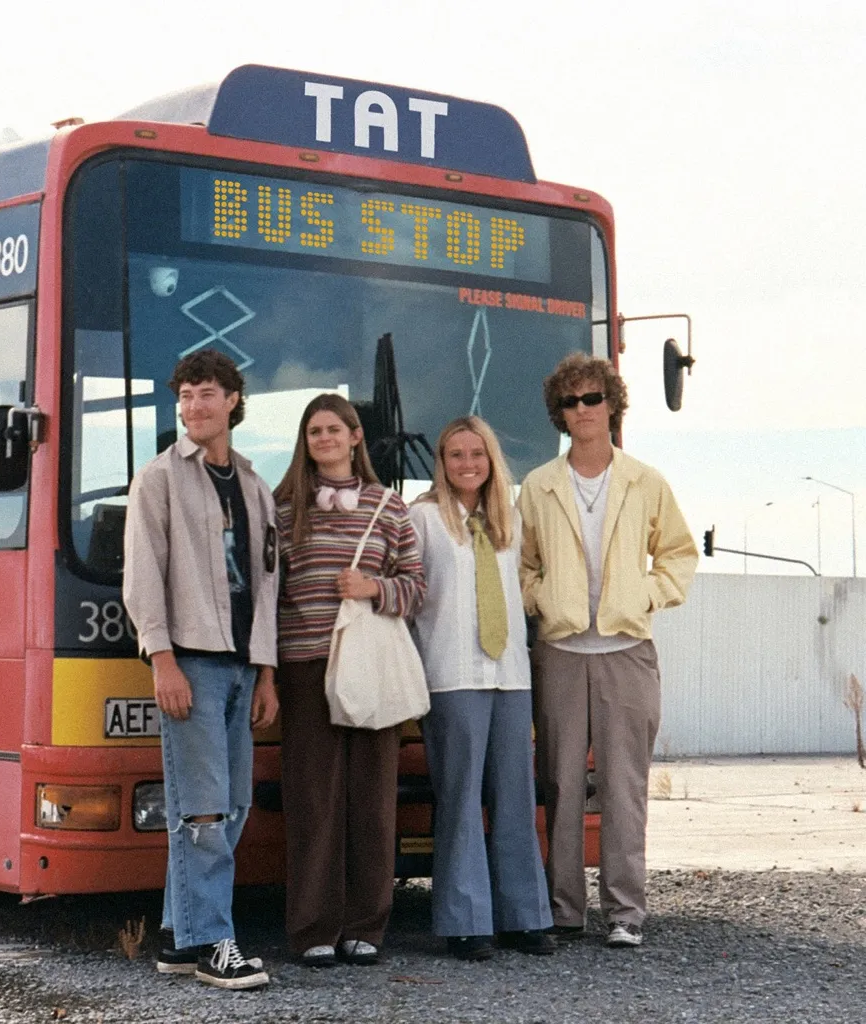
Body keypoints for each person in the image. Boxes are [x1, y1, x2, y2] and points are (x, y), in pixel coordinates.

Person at [518, 353, 698, 949]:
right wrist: (543, 599)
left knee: (625, 785)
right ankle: (565, 909)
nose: (582, 410)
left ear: (612, 404)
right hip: (562, 651)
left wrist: (643, 595)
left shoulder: (646, 481)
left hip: (627, 651)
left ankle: (625, 912)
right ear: (559, 414)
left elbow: (678, 555)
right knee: (563, 784)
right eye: (570, 403)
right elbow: (520, 566)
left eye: (593, 399)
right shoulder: (539, 487)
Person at [123, 350, 279, 990]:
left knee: (232, 805)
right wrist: (162, 660)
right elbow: (141, 579)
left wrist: (266, 673)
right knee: (203, 811)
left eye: (206, 393)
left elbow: (267, 584)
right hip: (189, 662)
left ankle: (177, 935)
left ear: (233, 401)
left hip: (242, 668)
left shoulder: (253, 485)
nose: (193, 406)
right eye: (185, 395)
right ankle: (215, 941)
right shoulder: (157, 479)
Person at [274, 393, 425, 968]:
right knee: (312, 801)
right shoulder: (283, 507)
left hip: (371, 667)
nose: (325, 439)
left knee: (372, 800)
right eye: (314, 431)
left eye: (334, 429)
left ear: (357, 436)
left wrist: (374, 589)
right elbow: (270, 594)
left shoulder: (389, 507)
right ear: (305, 441)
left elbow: (416, 587)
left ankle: (366, 925)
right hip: (306, 667)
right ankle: (313, 928)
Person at [409, 416, 556, 961]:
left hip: (511, 676)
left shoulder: (509, 524)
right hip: (452, 676)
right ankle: (466, 921)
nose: (467, 464)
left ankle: (525, 917)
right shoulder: (423, 519)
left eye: (477, 454)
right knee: (461, 799)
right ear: (441, 463)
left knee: (516, 797)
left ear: (492, 460)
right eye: (455, 455)